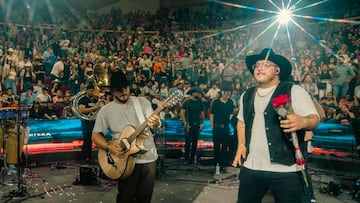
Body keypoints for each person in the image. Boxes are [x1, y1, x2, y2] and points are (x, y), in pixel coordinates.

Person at [232, 48, 320, 203]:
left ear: (277, 70)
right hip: (252, 168)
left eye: (266, 64)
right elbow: (241, 122)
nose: (259, 67)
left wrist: (302, 122)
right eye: (257, 65)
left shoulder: (293, 90)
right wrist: (241, 145)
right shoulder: (247, 95)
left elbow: (314, 119)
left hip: (286, 170)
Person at [92, 71, 161, 203]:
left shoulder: (142, 103)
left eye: (126, 87)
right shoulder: (106, 111)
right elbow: (95, 136)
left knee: (145, 199)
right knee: (125, 198)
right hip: (124, 161)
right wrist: (109, 147)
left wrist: (156, 123)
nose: (124, 91)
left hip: (148, 158)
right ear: (112, 91)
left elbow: (154, 125)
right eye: (119, 89)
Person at [209, 86, 234, 173]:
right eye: (224, 93)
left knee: (224, 147)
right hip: (217, 126)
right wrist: (212, 126)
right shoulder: (216, 102)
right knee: (216, 147)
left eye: (228, 93)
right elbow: (212, 115)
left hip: (226, 127)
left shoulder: (230, 102)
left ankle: (222, 164)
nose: (226, 94)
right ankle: (216, 164)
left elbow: (232, 112)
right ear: (221, 93)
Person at [180, 87, 205, 164]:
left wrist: (202, 123)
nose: (198, 94)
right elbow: (182, 113)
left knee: (195, 142)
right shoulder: (187, 103)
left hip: (196, 124)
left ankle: (192, 158)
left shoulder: (200, 102)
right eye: (197, 92)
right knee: (188, 142)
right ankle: (186, 158)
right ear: (193, 93)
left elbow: (202, 114)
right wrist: (185, 123)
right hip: (189, 124)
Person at [78, 83, 102, 163]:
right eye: (91, 91)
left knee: (95, 140)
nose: (92, 92)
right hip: (86, 123)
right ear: (87, 90)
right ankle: (85, 158)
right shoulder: (83, 100)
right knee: (87, 140)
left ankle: (92, 157)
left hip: (94, 122)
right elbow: (82, 110)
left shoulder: (96, 100)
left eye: (93, 91)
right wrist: (94, 108)